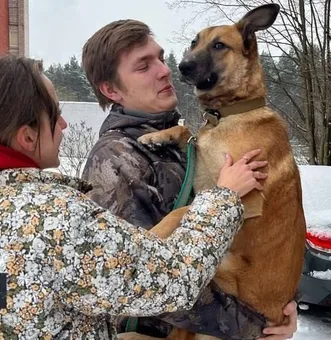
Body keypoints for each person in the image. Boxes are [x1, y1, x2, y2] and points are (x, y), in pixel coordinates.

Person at [0, 56, 267, 339]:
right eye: (56, 114)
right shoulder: (55, 220)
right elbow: (171, 280)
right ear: (26, 137)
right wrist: (224, 198)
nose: (65, 125)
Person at [81, 19, 298, 339]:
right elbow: (142, 280)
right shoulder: (115, 160)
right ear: (111, 90)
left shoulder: (184, 137)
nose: (165, 70)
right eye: (144, 66)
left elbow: (273, 228)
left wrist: (283, 305)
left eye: (161, 58)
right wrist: (256, 324)